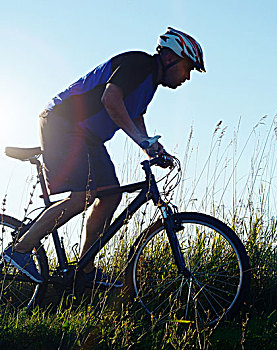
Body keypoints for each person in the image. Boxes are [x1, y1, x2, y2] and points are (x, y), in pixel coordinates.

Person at [2, 27, 205, 286]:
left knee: (110, 195)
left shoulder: (149, 82)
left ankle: (84, 270)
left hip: (87, 137)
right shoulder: (139, 63)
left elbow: (134, 116)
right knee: (82, 196)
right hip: (62, 123)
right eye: (188, 68)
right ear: (169, 58)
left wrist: (152, 148)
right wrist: (142, 140)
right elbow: (111, 99)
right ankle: (20, 250)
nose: (187, 77)